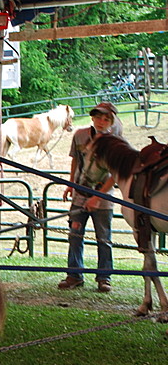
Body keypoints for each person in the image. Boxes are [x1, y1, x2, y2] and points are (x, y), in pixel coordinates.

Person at [59, 102, 122, 293]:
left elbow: (115, 174)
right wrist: (70, 184)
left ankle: (104, 277)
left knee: (103, 238)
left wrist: (98, 197)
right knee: (75, 234)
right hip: (79, 192)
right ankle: (74, 275)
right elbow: (75, 159)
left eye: (106, 119)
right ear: (92, 118)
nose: (101, 122)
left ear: (111, 122)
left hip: (103, 197)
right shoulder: (80, 135)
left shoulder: (116, 144)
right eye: (98, 117)